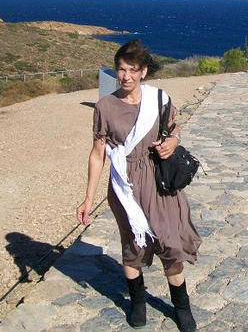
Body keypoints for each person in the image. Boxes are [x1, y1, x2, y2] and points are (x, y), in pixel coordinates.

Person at [76, 39, 201, 331]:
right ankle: (138, 303)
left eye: (133, 70)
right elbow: (97, 154)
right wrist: (87, 199)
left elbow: (174, 128)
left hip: (159, 182)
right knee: (132, 246)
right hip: (126, 186)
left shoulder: (159, 99)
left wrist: (173, 141)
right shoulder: (105, 107)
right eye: (121, 69)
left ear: (143, 71)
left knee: (170, 243)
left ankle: (181, 307)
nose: (127, 76)